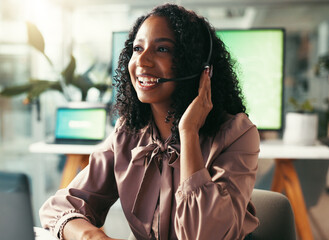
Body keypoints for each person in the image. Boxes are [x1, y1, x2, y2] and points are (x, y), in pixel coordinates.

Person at [40, 3, 259, 240]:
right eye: (137, 48)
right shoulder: (128, 134)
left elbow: (204, 235)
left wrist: (188, 133)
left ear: (197, 65)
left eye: (162, 49)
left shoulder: (237, 135)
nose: (142, 61)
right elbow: (58, 208)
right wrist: (92, 237)